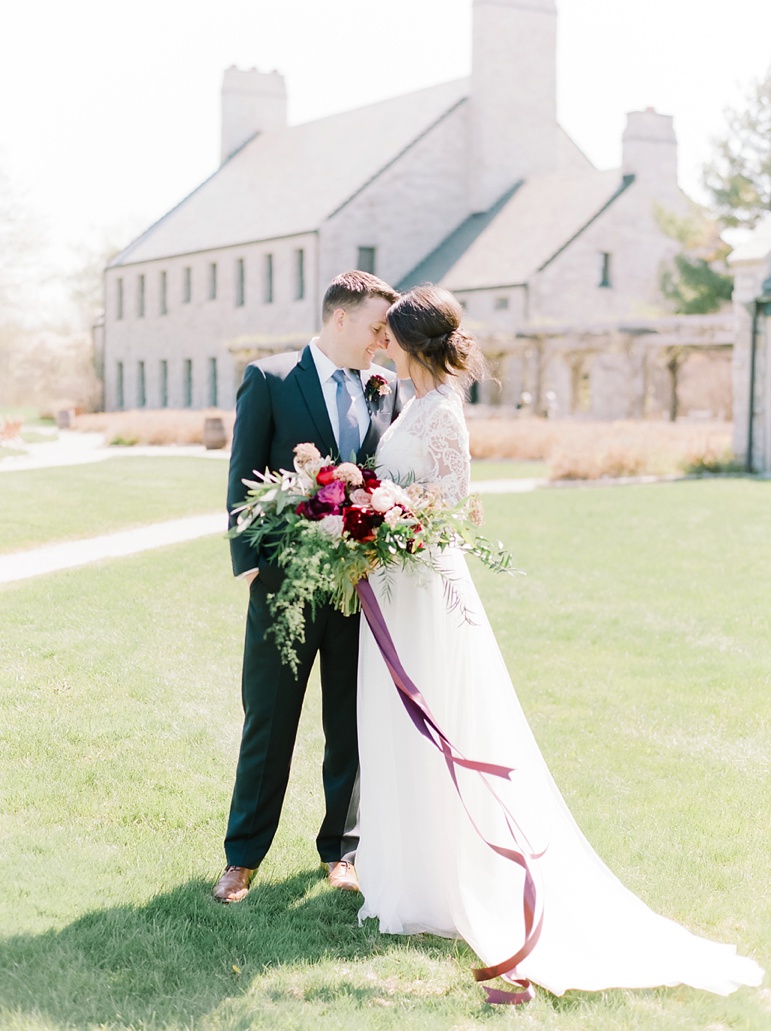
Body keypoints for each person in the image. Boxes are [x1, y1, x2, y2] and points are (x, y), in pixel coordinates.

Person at [354, 284, 764, 1000]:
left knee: (436, 722)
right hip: (393, 588)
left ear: (413, 342)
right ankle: (403, 875)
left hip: (424, 588)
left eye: (389, 332)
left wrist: (387, 525)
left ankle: (444, 882)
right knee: (393, 727)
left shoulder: (443, 414)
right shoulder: (408, 403)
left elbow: (449, 509)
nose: (379, 341)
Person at [214, 270, 401, 903]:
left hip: (359, 588)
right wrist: (252, 566)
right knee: (268, 720)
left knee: (351, 720)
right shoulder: (269, 379)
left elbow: (386, 477)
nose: (385, 339)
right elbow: (243, 477)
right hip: (285, 589)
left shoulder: (387, 388)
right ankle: (242, 857)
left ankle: (342, 852)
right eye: (378, 326)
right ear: (340, 319)